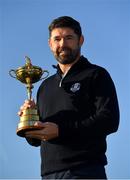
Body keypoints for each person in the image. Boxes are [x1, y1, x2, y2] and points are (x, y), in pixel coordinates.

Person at [19, 16, 120, 179]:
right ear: (50, 44)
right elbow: (36, 141)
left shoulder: (96, 75)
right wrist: (30, 122)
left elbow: (109, 120)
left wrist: (61, 131)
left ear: (81, 40)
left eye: (69, 38)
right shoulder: (45, 87)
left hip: (85, 171)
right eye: (57, 39)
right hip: (48, 175)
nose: (62, 44)